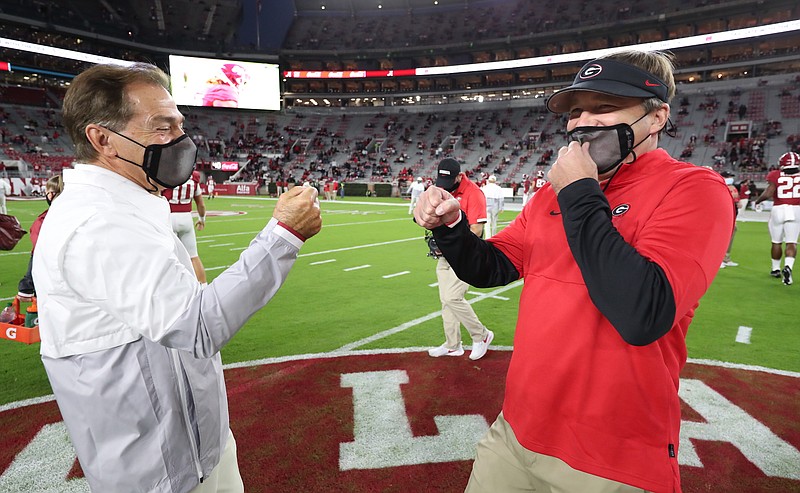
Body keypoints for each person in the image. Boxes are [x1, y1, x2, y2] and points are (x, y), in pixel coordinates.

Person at [413, 51, 733, 492]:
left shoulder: (694, 189)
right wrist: (452, 227)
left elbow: (643, 313)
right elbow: (492, 267)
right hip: (516, 431)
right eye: (575, 111)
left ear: (657, 117)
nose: (583, 123)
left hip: (612, 455)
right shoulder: (549, 196)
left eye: (603, 109)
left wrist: (580, 191)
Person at [31, 62, 322, 493]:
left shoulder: (130, 202)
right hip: (157, 474)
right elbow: (197, 326)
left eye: (179, 125)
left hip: (199, 449)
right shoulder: (96, 223)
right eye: (161, 127)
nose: (180, 140)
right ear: (102, 139)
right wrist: (283, 236)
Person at [425, 158, 493, 361]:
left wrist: (454, 245)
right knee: (445, 301)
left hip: (467, 255)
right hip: (446, 255)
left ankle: (482, 335)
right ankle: (453, 345)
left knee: (452, 298)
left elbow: (476, 229)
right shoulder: (442, 189)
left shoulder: (474, 193)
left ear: (459, 176)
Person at [754, 151, 800, 285]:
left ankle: (775, 269)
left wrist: (758, 201)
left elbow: (768, 193)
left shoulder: (776, 174)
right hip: (796, 209)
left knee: (776, 241)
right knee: (791, 242)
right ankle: (788, 267)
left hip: (779, 209)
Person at [17, 174, 62, 300]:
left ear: (52, 194)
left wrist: (27, 284)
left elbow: (39, 252)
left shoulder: (45, 219)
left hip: (50, 284)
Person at [162, 170, 208, 284]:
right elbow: (200, 204)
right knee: (193, 256)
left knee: (167, 258)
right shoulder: (194, 177)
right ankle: (203, 286)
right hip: (186, 218)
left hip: (169, 217)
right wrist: (202, 219)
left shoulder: (166, 173)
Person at [720, 170, 740, 268]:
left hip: (731, 215)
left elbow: (737, 202)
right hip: (722, 215)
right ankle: (719, 259)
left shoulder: (732, 187)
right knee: (721, 236)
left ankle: (726, 258)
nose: (730, 178)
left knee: (732, 232)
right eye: (728, 176)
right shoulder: (719, 186)